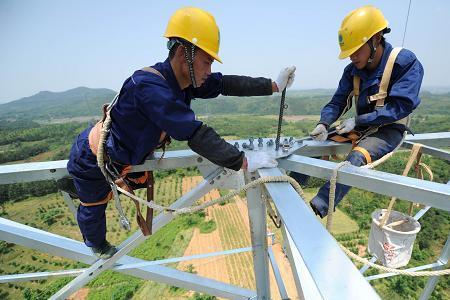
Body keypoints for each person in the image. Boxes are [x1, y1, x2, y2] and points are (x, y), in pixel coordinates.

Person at [67, 6, 296, 258]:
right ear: (182, 54)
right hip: (93, 158)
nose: (209, 70)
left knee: (108, 191)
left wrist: (273, 85)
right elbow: (192, 131)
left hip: (127, 156)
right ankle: (96, 246)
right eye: (206, 61)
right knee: (93, 207)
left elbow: (224, 83)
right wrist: (242, 160)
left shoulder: (182, 81)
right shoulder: (149, 87)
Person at [291, 5, 423, 218]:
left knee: (357, 157)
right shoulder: (353, 70)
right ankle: (290, 189)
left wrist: (358, 120)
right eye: (349, 52)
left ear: (376, 38)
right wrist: (323, 124)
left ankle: (316, 209)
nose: (351, 56)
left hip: (389, 128)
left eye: (356, 49)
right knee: (314, 144)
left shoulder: (403, 63)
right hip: (359, 125)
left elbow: (401, 106)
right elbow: (338, 101)